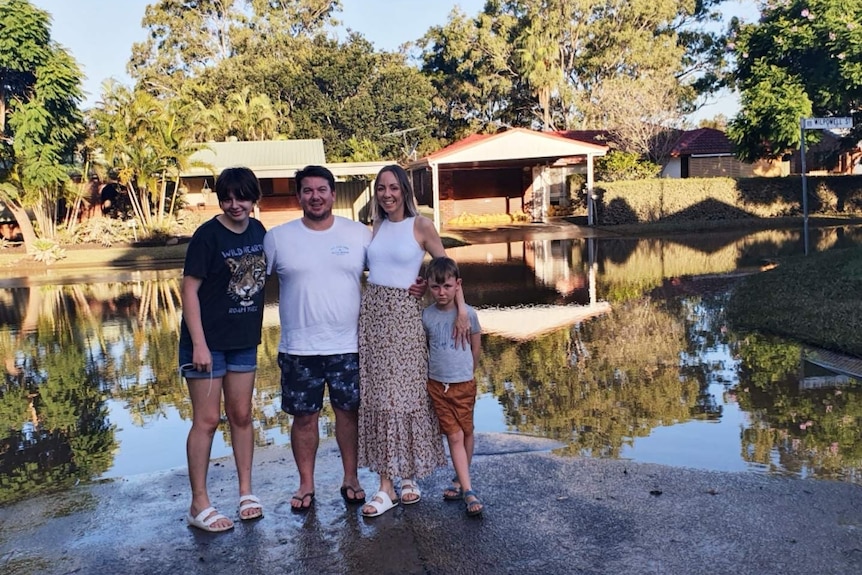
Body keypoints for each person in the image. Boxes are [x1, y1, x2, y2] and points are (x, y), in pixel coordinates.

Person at [358, 164, 469, 518]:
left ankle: (408, 477)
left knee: (406, 395)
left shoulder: (420, 225)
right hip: (374, 316)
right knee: (378, 395)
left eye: (393, 187)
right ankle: (385, 484)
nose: (386, 194)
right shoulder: (373, 227)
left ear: (405, 190)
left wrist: (460, 310)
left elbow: (447, 270)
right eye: (380, 188)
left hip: (405, 317)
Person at [263, 165, 370, 513]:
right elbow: (249, 285)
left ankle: (350, 477)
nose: (315, 196)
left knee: (348, 414)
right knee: (304, 418)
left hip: (348, 345)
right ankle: (306, 483)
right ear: (299, 196)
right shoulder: (278, 238)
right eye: (307, 190)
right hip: (299, 348)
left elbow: (390, 274)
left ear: (332, 193)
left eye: (321, 189)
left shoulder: (359, 235)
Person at [179, 167, 267, 532]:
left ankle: (246, 491)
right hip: (207, 344)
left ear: (252, 198)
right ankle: (199, 503)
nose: (234, 205)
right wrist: (199, 343)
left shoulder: (259, 231)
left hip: (243, 340)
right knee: (207, 420)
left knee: (242, 416)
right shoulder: (207, 237)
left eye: (241, 197)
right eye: (227, 198)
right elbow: (189, 290)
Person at [422, 256, 484, 517]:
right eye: (435, 287)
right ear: (428, 286)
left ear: (457, 285)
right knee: (454, 435)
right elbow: (426, 348)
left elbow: (476, 345)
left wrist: (469, 370)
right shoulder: (426, 316)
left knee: (467, 431)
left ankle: (460, 480)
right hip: (438, 385)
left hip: (464, 384)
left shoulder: (468, 314)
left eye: (447, 286)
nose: (441, 292)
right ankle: (469, 490)